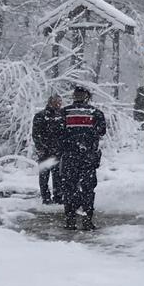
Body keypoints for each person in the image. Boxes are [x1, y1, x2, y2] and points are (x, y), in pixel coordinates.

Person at [58, 84, 107, 231]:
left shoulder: (64, 112)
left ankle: (70, 220)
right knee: (88, 188)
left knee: (69, 187)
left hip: (69, 156)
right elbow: (102, 131)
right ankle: (87, 220)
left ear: (73, 96)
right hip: (88, 157)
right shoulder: (96, 113)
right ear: (87, 97)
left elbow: (57, 132)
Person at [30, 95, 65, 205]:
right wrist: (40, 147)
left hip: (58, 151)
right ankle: (46, 197)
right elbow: (36, 134)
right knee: (44, 176)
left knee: (57, 176)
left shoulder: (63, 116)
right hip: (45, 151)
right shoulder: (40, 116)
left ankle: (58, 196)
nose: (58, 104)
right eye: (56, 102)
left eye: (60, 102)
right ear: (50, 102)